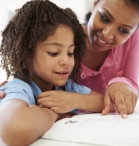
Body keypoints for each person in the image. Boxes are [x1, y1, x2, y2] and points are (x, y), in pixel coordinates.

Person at [0, 0, 104, 145]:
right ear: (26, 53)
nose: (66, 61)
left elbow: (104, 102)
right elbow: (14, 131)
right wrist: (56, 112)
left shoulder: (66, 88)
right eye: (53, 53)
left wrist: (75, 100)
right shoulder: (17, 88)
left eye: (70, 53)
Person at [77, 0, 139, 117]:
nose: (107, 34)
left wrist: (122, 84)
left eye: (123, 31)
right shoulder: (63, 42)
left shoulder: (132, 37)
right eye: (104, 18)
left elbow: (131, 90)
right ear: (94, 4)